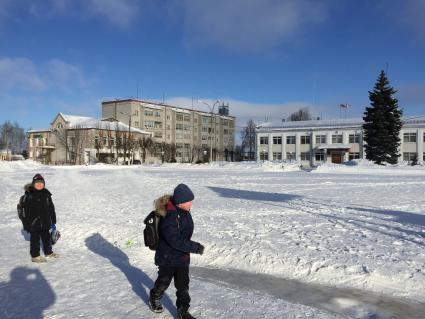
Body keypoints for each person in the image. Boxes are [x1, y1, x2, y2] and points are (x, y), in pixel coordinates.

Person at [149, 184, 204, 319]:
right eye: (189, 201)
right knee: (164, 282)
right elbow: (175, 240)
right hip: (167, 258)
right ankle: (155, 296)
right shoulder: (169, 217)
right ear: (180, 203)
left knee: (183, 286)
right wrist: (194, 247)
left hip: (181, 257)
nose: (191, 203)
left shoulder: (184, 212)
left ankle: (182, 311)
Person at [22, 174, 59, 263]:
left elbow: (51, 208)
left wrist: (53, 220)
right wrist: (27, 224)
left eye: (41, 183)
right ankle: (35, 256)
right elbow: (25, 212)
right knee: (35, 240)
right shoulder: (29, 195)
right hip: (34, 223)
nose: (39, 184)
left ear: (44, 184)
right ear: (33, 184)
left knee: (47, 238)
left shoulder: (46, 194)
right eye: (37, 183)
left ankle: (48, 252)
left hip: (45, 222)